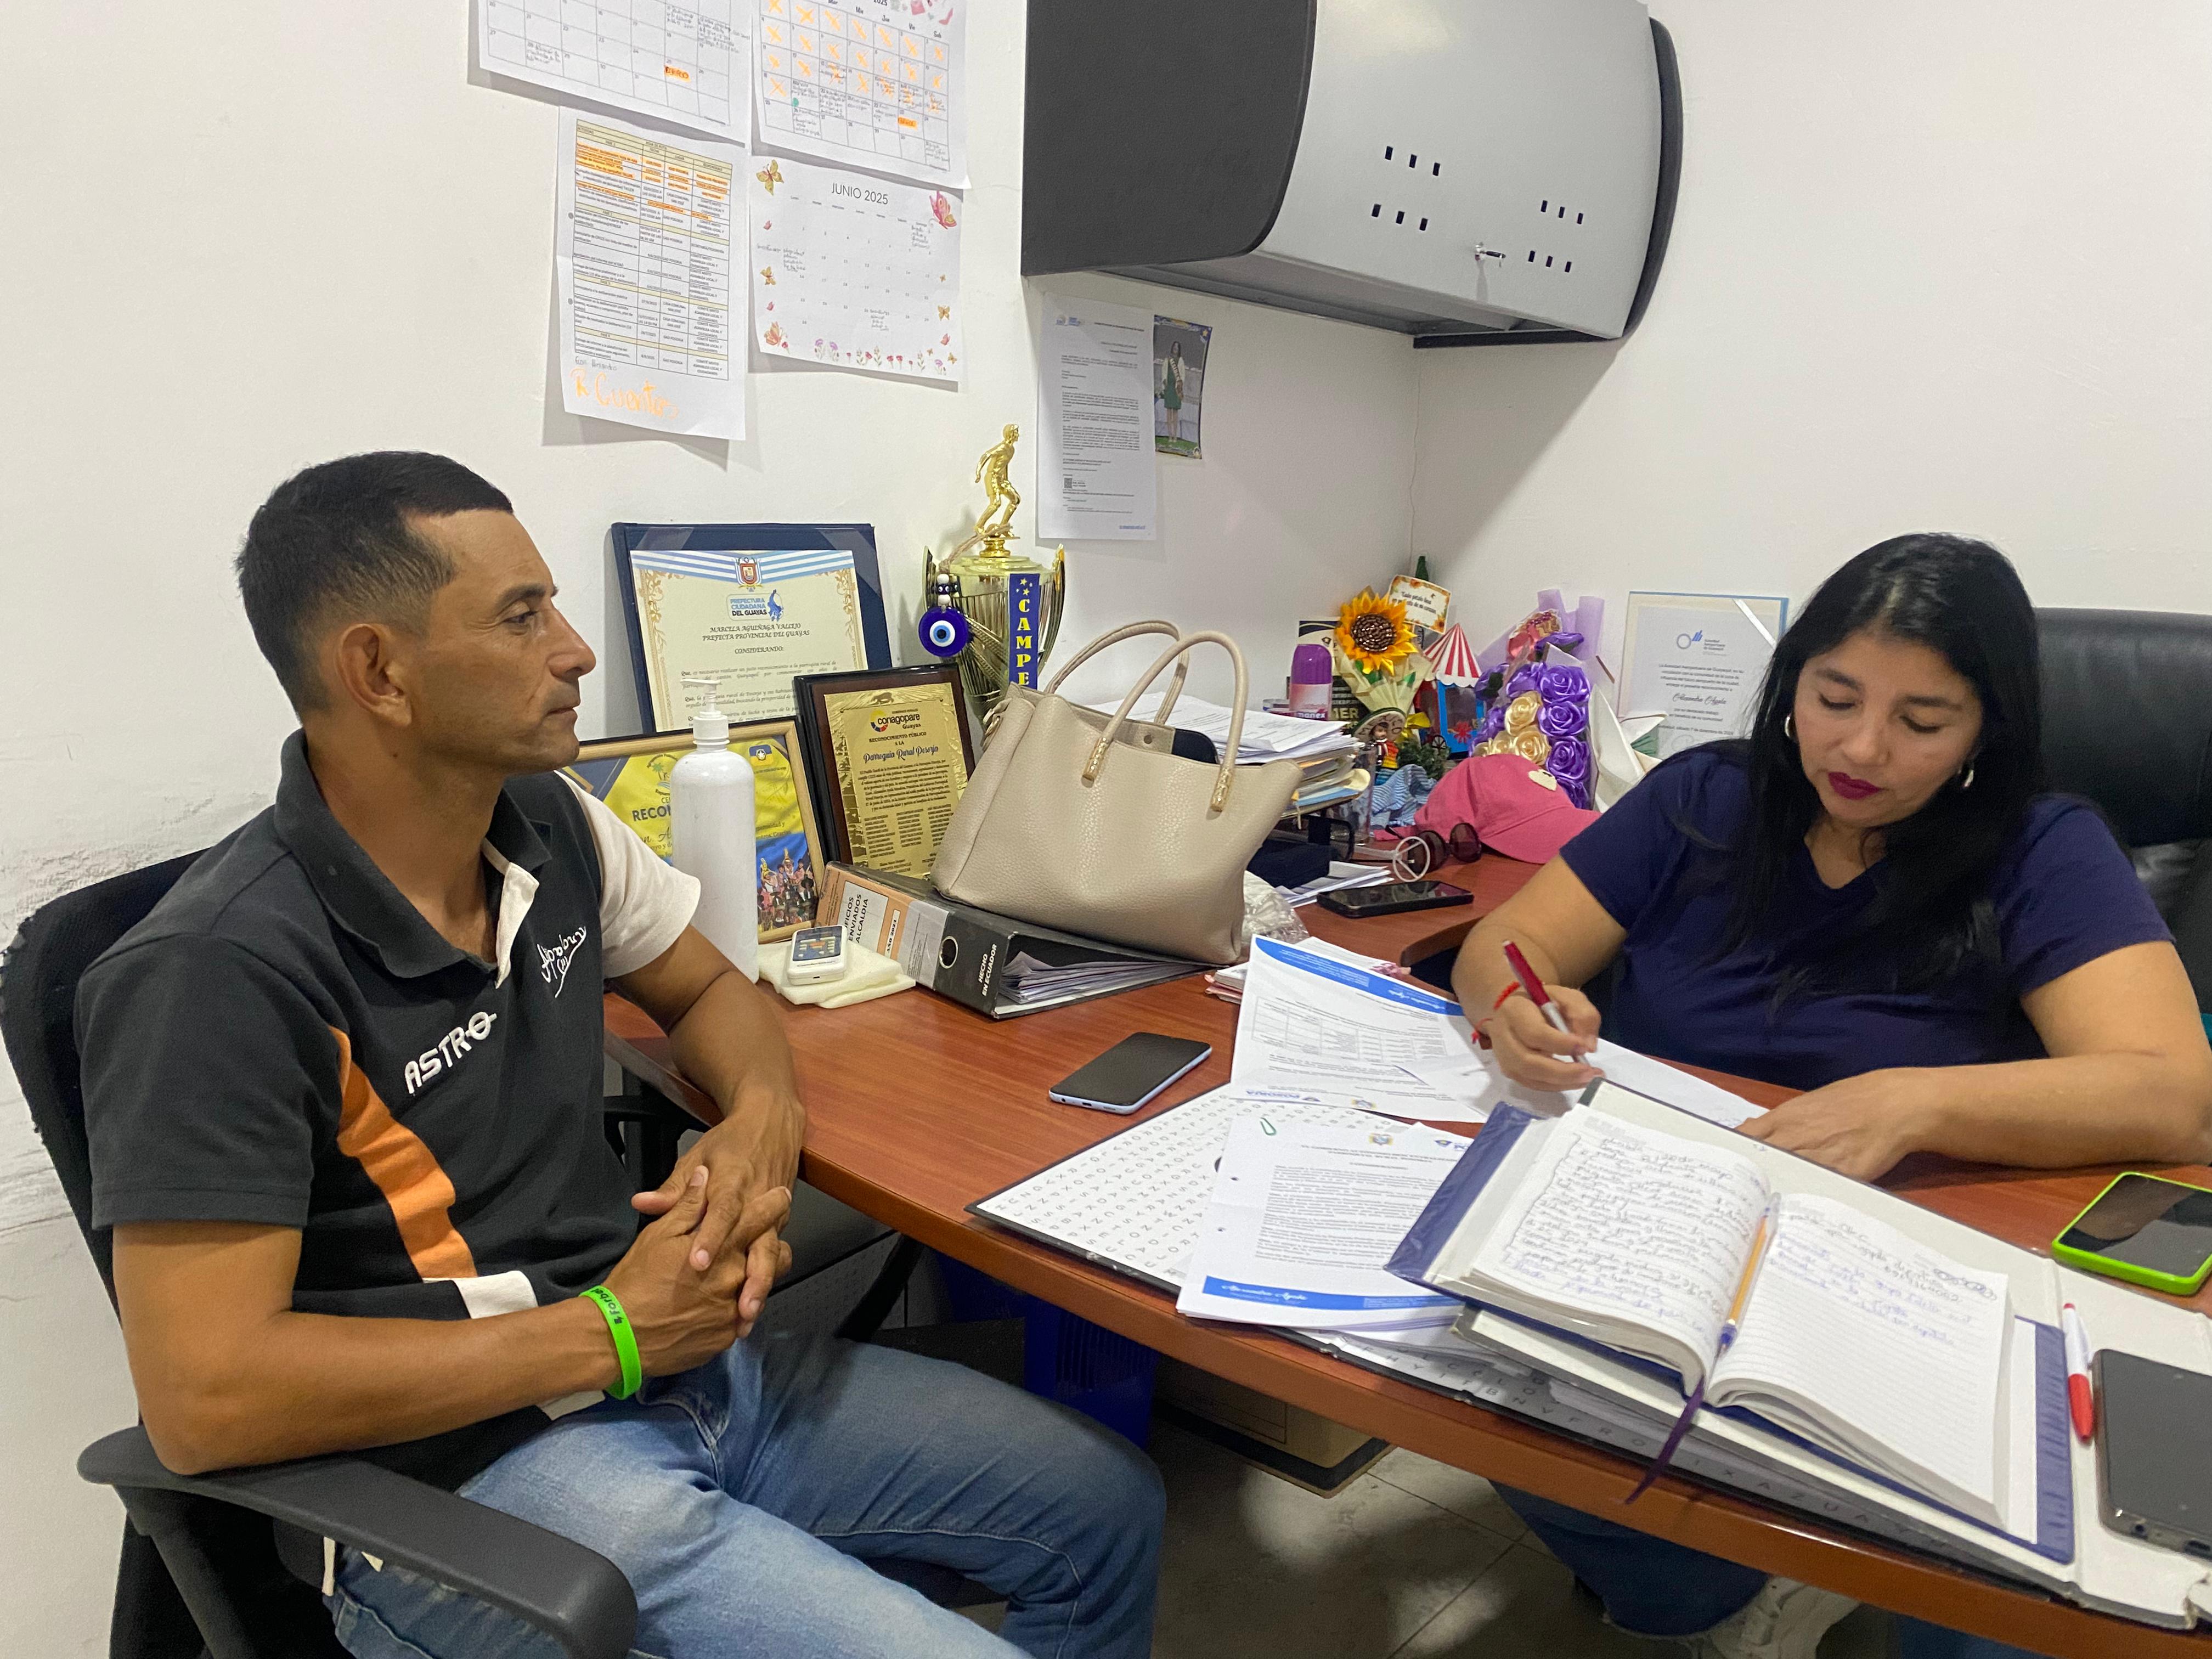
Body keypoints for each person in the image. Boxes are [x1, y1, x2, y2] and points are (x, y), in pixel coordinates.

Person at [80, 453, 1164, 1659]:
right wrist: (613, 1330)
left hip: (678, 1378)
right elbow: (204, 1400)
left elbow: (709, 987)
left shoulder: (545, 821)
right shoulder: (214, 975)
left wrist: (758, 1125)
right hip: (469, 1481)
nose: (578, 650)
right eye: (520, 616)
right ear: (378, 672)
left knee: (1107, 1506)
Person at [1451, 533, 2212, 1659]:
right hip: (1668, 1224)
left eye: (1922, 720)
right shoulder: (1705, 795)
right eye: (1834, 698)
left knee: (1998, 1588)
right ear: (1793, 683)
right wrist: (1515, 1004)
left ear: (1986, 728)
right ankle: (1713, 1605)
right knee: (1487, 1389)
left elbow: (2174, 1095)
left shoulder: (2041, 848)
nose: (1860, 748)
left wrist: (1913, 1105)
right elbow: (1505, 943)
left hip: (1896, 1256)